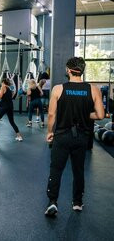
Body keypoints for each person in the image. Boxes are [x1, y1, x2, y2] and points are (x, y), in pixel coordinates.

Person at [44, 57, 104, 217]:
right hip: (82, 137)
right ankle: (77, 202)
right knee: (78, 170)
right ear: (81, 70)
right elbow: (100, 115)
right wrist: (85, 113)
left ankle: (52, 203)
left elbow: (51, 114)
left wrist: (50, 132)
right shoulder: (93, 89)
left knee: (56, 169)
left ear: (68, 70)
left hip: (62, 136)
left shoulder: (58, 89)